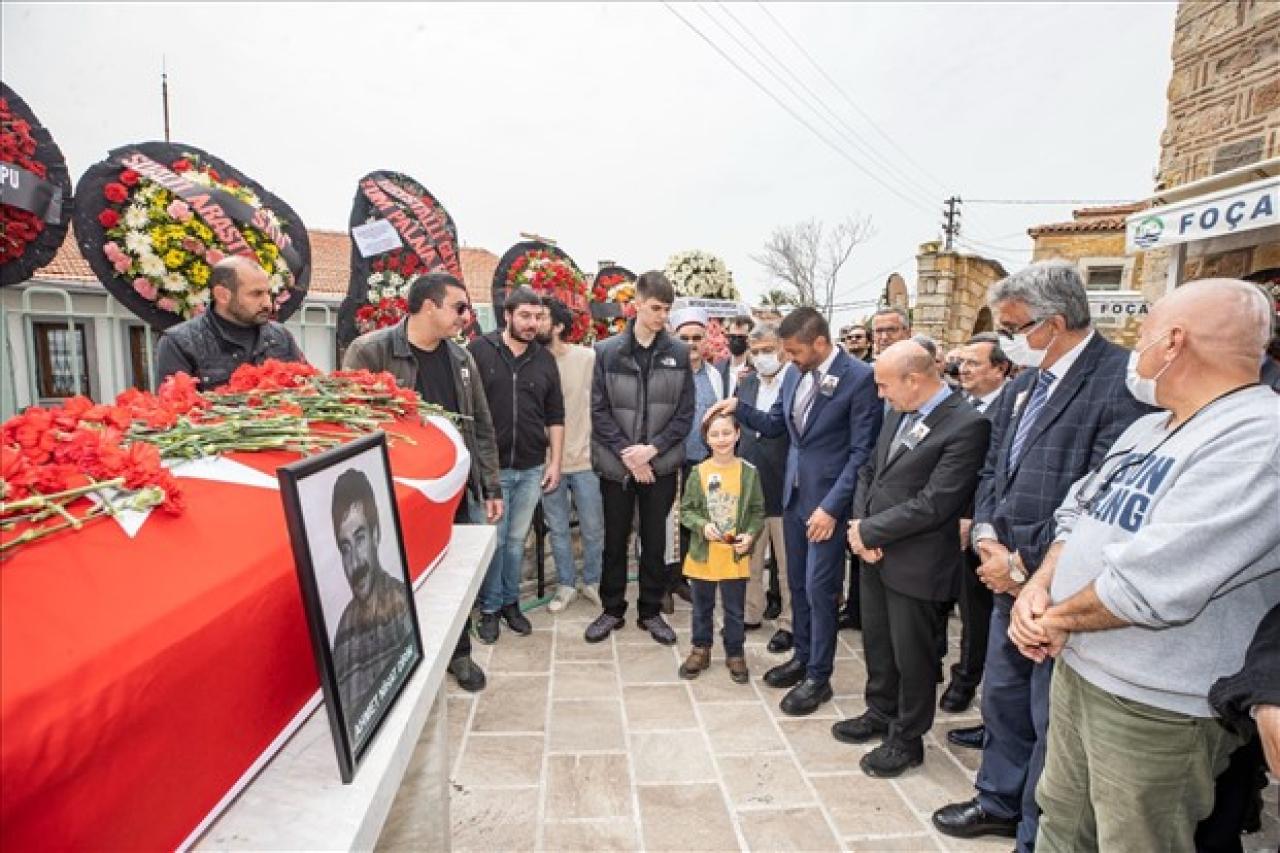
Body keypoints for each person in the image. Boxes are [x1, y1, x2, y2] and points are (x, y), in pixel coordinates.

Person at [1007, 277, 1280, 852]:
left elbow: (1153, 584)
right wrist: (1039, 588)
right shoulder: (1148, 426)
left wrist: (1049, 620)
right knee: (1061, 820)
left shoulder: (1258, 438)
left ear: (1175, 343)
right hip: (1081, 669)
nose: (1137, 347)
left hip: (1153, 708)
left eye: (1146, 332)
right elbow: (1078, 510)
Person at [931, 260, 1150, 850]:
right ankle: (998, 799)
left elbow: (1105, 495)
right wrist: (986, 540)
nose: (1006, 342)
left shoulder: (1119, 383)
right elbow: (993, 465)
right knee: (1004, 701)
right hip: (1004, 574)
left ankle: (1036, 828)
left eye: (1012, 329)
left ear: (1052, 324)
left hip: (1063, 588)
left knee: (1050, 719)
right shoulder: (1026, 383)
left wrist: (1027, 569)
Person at [705, 307, 881, 716]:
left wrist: (832, 508)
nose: (789, 358)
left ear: (820, 343)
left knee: (821, 591)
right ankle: (802, 657)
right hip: (794, 498)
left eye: (796, 351)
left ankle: (819, 677)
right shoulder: (798, 375)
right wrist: (737, 408)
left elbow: (860, 454)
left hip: (826, 507)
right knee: (798, 586)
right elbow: (775, 425)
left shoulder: (858, 379)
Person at [836, 341, 990, 778]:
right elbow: (871, 470)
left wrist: (869, 531)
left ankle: (908, 738)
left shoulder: (967, 424)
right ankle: (879, 712)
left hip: (917, 561)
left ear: (914, 379)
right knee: (879, 644)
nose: (880, 394)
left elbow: (935, 503)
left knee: (914, 655)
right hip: (875, 552)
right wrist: (861, 528)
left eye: (885, 385)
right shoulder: (899, 412)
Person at [343, 272, 501, 693]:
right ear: (429, 306)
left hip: (454, 494)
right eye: (459, 308)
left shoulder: (462, 360)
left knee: (453, 579)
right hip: (398, 497)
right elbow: (350, 427)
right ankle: (396, 661)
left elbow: (481, 426)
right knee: (397, 580)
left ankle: (459, 654)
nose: (466, 318)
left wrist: (491, 487)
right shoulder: (370, 352)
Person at [586, 271, 695, 646]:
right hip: (617, 466)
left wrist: (652, 450)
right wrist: (629, 455)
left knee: (654, 540)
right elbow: (598, 412)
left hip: (660, 466)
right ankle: (612, 609)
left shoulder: (679, 353)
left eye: (666, 309)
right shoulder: (605, 351)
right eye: (655, 308)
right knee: (614, 540)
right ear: (636, 304)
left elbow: (685, 414)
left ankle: (649, 611)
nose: (661, 316)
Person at [468, 287, 565, 644]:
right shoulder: (479, 351)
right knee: (491, 542)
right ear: (507, 315)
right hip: (490, 472)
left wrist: (554, 461)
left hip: (529, 468)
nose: (532, 323)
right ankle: (489, 609)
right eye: (525, 316)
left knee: (514, 542)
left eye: (537, 317)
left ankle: (511, 604)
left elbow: (556, 414)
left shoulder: (544, 359)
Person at [942, 332, 1012, 725]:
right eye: (962, 362)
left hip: (981, 526)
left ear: (1000, 368)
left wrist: (975, 520)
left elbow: (994, 473)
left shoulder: (1010, 409)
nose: (964, 369)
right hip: (945, 521)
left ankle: (966, 680)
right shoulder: (958, 403)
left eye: (974, 363)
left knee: (976, 611)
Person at [677, 411, 765, 684]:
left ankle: (735, 652)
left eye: (727, 433)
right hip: (704, 555)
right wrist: (702, 526)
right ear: (706, 439)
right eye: (714, 434)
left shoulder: (749, 473)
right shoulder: (698, 472)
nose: (721, 439)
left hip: (733, 557)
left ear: (738, 434)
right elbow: (687, 510)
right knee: (701, 607)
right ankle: (700, 648)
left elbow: (757, 511)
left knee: (734, 609)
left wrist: (749, 535)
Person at [330, 467, 415, 738]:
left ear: (376, 535)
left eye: (360, 538)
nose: (354, 561)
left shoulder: (401, 604)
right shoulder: (343, 633)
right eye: (345, 548)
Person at [537, 297, 603, 613]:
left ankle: (592, 582)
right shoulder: (532, 362)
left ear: (559, 326)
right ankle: (566, 584)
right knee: (559, 529)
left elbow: (603, 405)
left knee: (592, 527)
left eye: (542, 317)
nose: (535, 322)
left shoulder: (587, 358)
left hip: (586, 460)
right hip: (548, 465)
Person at [155, 255, 305, 388]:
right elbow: (176, 409)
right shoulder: (178, 343)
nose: (268, 304)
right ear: (222, 295)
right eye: (256, 294)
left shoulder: (281, 336)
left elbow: (307, 387)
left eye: (268, 293)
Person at [738, 323, 794, 653]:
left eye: (767, 350)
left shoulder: (796, 382)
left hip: (785, 484)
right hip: (750, 484)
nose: (761, 357)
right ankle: (750, 612)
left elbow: (777, 425)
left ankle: (790, 622)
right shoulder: (744, 385)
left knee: (787, 564)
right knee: (750, 558)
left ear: (783, 349)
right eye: (755, 351)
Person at [667, 307, 723, 611]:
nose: (691, 343)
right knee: (665, 525)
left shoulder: (716, 375)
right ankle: (663, 583)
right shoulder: (666, 372)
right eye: (684, 337)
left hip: (703, 463)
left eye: (696, 337)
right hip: (670, 462)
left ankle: (683, 579)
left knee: (694, 524)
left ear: (706, 340)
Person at [717, 314, 755, 397]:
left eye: (741, 338)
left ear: (749, 339)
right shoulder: (717, 369)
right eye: (732, 337)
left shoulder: (757, 370)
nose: (736, 341)